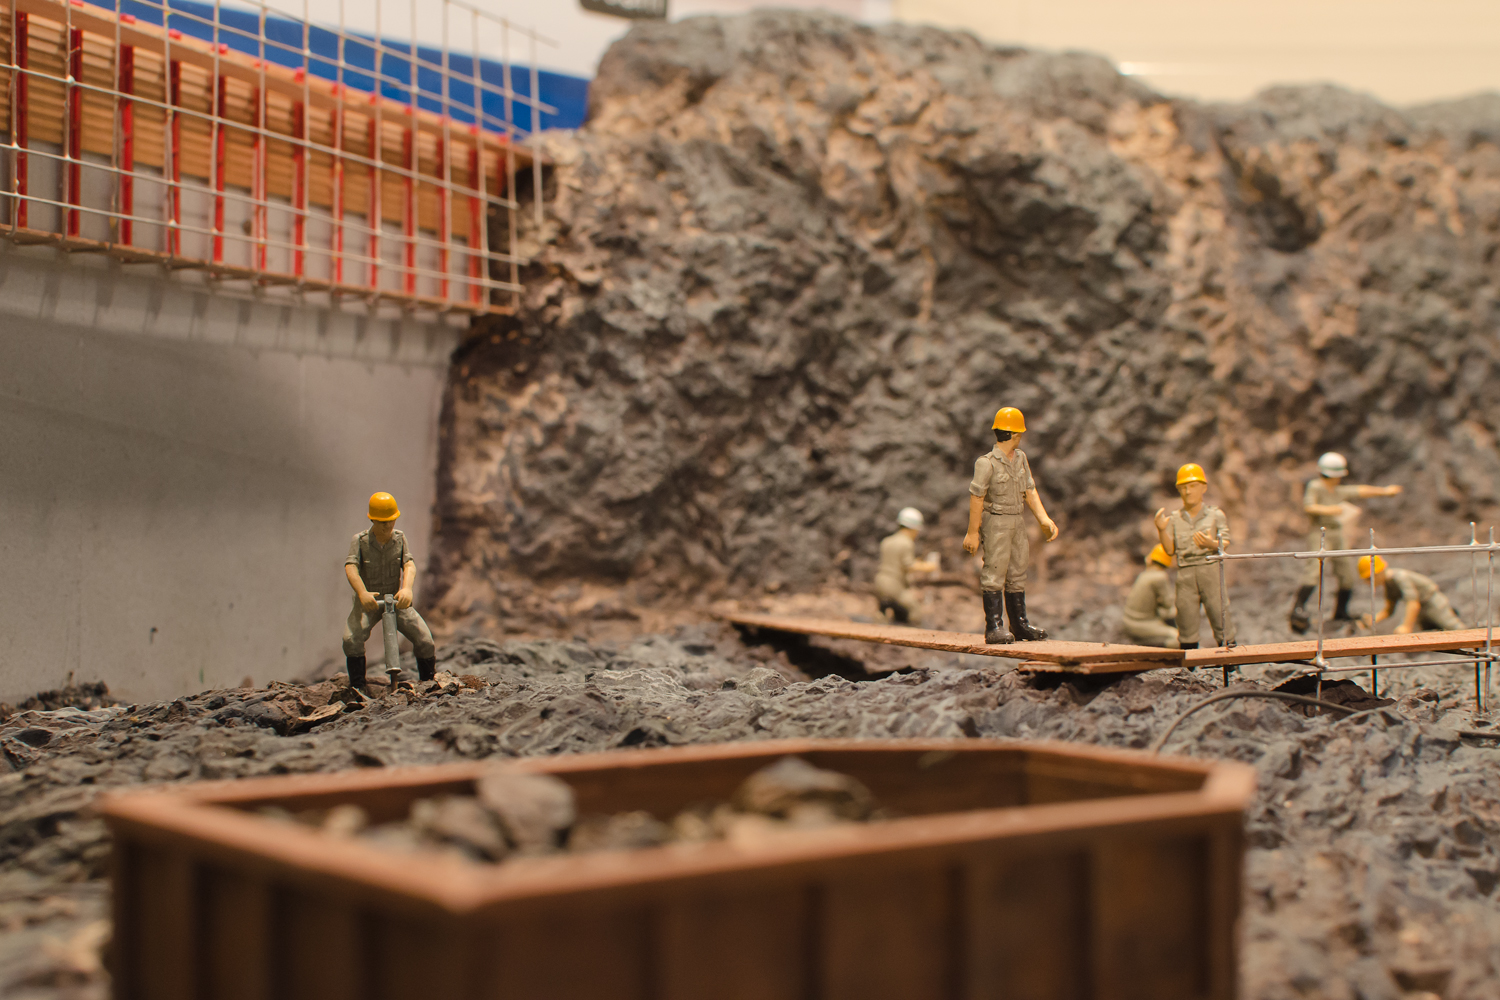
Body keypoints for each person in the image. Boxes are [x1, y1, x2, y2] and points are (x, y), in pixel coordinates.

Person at [962, 406, 1059, 644]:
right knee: (995, 571)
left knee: (1017, 570)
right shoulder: (986, 463)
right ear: (1014, 434)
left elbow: (1030, 490)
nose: (1021, 437)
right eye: (1019, 433)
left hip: (1017, 520)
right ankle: (994, 626)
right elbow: (976, 498)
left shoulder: (1020, 458)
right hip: (996, 521)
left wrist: (1043, 519)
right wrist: (972, 532)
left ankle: (1019, 624)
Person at [1289, 452, 1403, 633]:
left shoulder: (1338, 491)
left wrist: (1384, 491)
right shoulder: (1316, 486)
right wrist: (1330, 510)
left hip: (1337, 533)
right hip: (1320, 533)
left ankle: (1341, 611)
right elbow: (1309, 506)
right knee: (1314, 569)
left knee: (1345, 572)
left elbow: (1359, 490)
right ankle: (1298, 607)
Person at [342, 491, 437, 688]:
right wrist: (362, 593)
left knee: (425, 640)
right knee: (351, 639)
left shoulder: (400, 539)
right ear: (373, 520)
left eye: (391, 521)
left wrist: (407, 589)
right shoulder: (360, 541)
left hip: (395, 600)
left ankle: (428, 683)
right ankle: (358, 687)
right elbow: (351, 567)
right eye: (383, 522)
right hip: (369, 602)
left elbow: (409, 564)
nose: (388, 526)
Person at [1153, 463, 1236, 649]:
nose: (1188, 491)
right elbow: (1169, 550)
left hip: (1210, 570)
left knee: (1219, 612)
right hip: (1186, 573)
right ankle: (1188, 660)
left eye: (1192, 486)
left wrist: (1211, 544)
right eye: (1183, 487)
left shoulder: (1215, 515)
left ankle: (1230, 658)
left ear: (1203, 487)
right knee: (1186, 617)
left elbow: (1226, 542)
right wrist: (1161, 530)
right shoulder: (1175, 518)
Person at [1357, 555, 1465, 633]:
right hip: (1421, 609)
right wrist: (1373, 620)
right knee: (1429, 635)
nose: (1368, 583)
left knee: (1454, 627)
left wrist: (1406, 626)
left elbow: (1412, 603)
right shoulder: (1389, 584)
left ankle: (1472, 646)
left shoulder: (1400, 578)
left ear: (1378, 572)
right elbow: (1389, 609)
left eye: (1369, 578)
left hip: (1432, 603)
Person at [874, 507, 939, 625]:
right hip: (894, 584)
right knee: (915, 610)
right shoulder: (906, 543)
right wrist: (928, 566)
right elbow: (909, 565)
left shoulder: (887, 541)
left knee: (886, 610)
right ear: (914, 528)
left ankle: (879, 626)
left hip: (880, 581)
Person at [1122, 544, 1179, 648]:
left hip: (1129, 621)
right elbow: (1168, 604)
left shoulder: (1144, 574)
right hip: (1142, 624)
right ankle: (1160, 652)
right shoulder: (1159, 577)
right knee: (1178, 638)